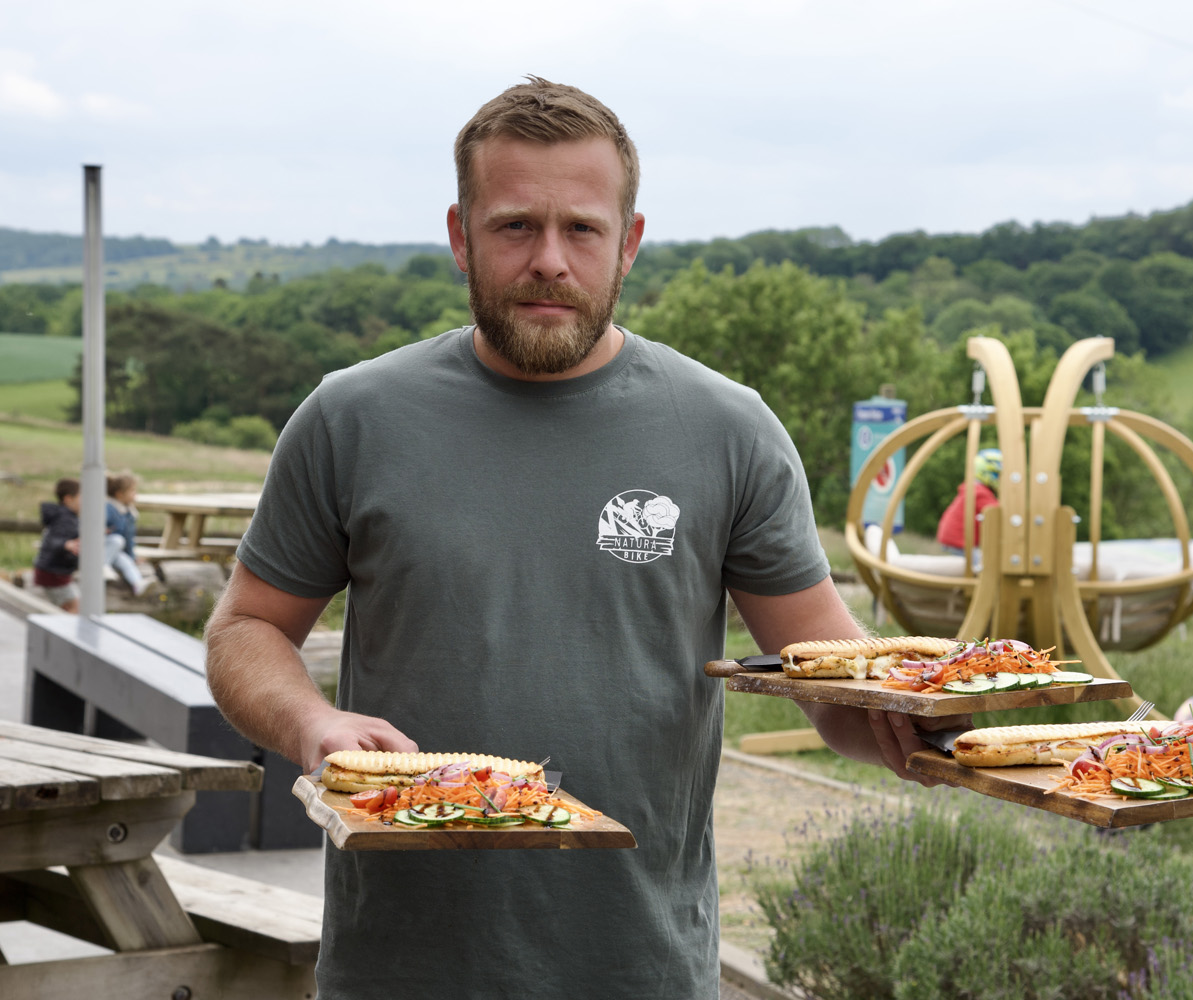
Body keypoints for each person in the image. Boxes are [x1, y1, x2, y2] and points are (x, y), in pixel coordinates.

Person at [203, 77, 959, 1000]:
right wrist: (313, 724)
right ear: (460, 236)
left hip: (639, 966)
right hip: (397, 970)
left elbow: (828, 676)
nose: (549, 261)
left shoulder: (729, 430)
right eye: (516, 225)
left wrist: (919, 725)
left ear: (629, 244)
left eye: (583, 230)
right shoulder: (352, 418)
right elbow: (245, 629)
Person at [937, 448, 1002, 553]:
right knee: (986, 565)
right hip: (959, 542)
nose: (1000, 479)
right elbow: (998, 513)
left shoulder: (974, 489)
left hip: (952, 540)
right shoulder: (980, 493)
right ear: (989, 474)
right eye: (998, 475)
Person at [33, 477, 82, 612]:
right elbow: (52, 541)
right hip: (53, 573)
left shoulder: (67, 517)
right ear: (68, 499)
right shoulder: (64, 519)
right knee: (75, 606)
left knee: (71, 605)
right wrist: (66, 544)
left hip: (57, 572)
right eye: (82, 498)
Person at [105, 471, 153, 597]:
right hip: (103, 549)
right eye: (132, 491)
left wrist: (132, 556)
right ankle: (102, 567)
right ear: (120, 494)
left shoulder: (129, 513)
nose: (135, 494)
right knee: (117, 540)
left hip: (116, 552)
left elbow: (129, 538)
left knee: (127, 562)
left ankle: (138, 584)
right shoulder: (108, 508)